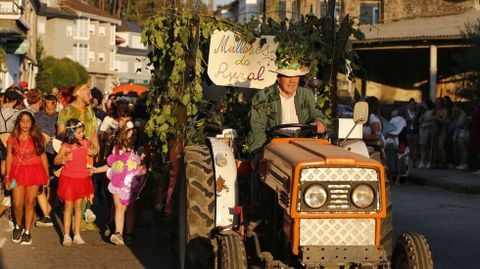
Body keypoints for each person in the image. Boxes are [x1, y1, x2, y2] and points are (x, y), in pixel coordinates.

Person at [248, 65, 326, 161]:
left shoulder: (306, 94)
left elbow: (314, 112)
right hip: (276, 146)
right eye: (288, 76)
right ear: (279, 78)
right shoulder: (263, 97)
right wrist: (260, 153)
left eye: (296, 76)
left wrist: (319, 121)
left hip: (302, 145)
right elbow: (257, 128)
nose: (292, 81)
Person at [93, 121, 146, 245]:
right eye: (131, 134)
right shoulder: (116, 149)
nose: (133, 137)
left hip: (132, 183)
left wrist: (142, 182)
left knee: (130, 208)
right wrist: (96, 169)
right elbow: (110, 165)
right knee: (119, 207)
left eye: (135, 135)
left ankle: (129, 234)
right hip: (117, 182)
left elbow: (143, 168)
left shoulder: (139, 150)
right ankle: (118, 233)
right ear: (124, 134)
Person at [57, 84, 99, 227]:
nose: (91, 97)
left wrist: (97, 146)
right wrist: (74, 141)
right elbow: (60, 133)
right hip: (72, 154)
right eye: (88, 93)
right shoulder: (66, 111)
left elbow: (92, 131)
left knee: (85, 186)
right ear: (79, 93)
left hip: (87, 154)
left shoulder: (90, 111)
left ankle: (81, 220)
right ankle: (73, 221)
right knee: (72, 188)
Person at [5, 110, 49, 245]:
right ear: (18, 122)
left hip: (34, 172)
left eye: (28, 121)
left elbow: (43, 156)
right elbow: (9, 157)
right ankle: (18, 226)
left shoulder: (38, 137)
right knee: (17, 203)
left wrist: (46, 176)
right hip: (16, 173)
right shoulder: (12, 138)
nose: (25, 124)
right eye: (22, 121)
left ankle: (27, 231)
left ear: (32, 123)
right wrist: (7, 176)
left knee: (30, 202)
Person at [54, 119, 95, 246]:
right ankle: (66, 235)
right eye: (78, 133)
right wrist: (65, 158)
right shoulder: (66, 145)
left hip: (82, 178)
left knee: (78, 207)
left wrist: (92, 152)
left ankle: (77, 234)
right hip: (68, 179)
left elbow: (93, 152)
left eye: (82, 132)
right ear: (71, 133)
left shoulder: (86, 143)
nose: (81, 135)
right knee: (68, 206)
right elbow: (56, 160)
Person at [33, 94, 59, 227]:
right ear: (44, 103)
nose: (51, 105)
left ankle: (47, 210)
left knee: (53, 184)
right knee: (41, 182)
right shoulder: (37, 116)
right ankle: (42, 211)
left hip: (55, 154)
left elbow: (63, 134)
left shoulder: (60, 117)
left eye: (54, 103)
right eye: (49, 103)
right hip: (39, 153)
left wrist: (54, 138)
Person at [385, 110, 407, 186]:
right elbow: (399, 132)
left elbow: (390, 131)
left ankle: (390, 179)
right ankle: (397, 180)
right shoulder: (403, 121)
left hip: (390, 142)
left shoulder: (393, 119)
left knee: (390, 162)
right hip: (400, 143)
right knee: (400, 161)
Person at [418, 100, 435, 168]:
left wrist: (425, 125)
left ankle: (428, 162)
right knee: (422, 147)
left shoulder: (432, 111)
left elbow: (432, 121)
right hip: (422, 130)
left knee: (427, 147)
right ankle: (422, 161)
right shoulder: (424, 112)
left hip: (427, 130)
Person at [404, 98, 419, 165]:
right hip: (408, 130)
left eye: (413, 104)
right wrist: (408, 120)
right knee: (409, 145)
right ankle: (408, 159)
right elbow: (403, 118)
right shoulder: (406, 111)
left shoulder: (417, 112)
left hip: (415, 130)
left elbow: (419, 120)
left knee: (415, 146)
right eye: (411, 104)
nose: (412, 106)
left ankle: (414, 160)